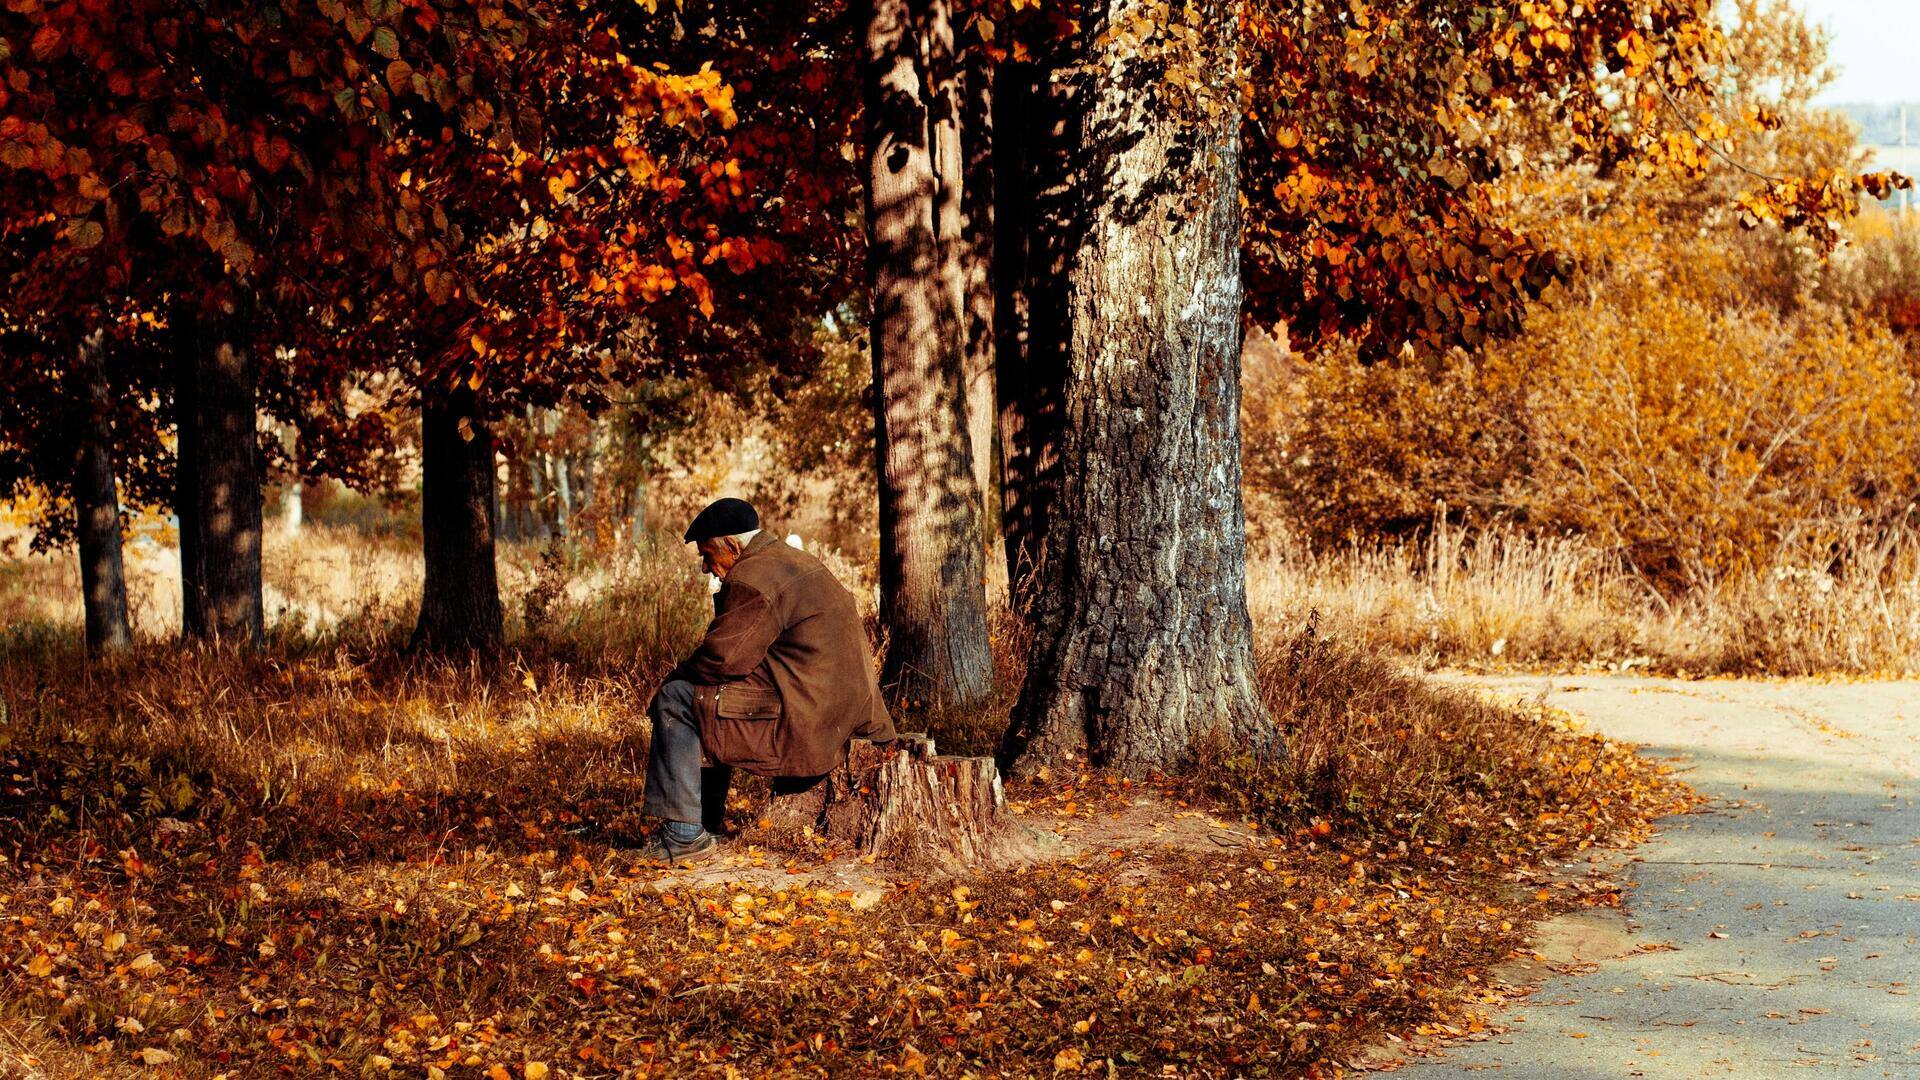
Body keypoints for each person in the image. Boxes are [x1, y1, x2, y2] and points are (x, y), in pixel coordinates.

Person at [636, 497, 896, 863]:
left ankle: (684, 836)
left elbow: (723, 658)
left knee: (678, 697)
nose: (706, 568)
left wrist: (669, 679)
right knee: (704, 697)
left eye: (708, 555)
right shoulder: (793, 561)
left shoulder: (752, 576)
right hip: (846, 713)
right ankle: (701, 826)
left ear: (732, 545)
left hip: (809, 719)